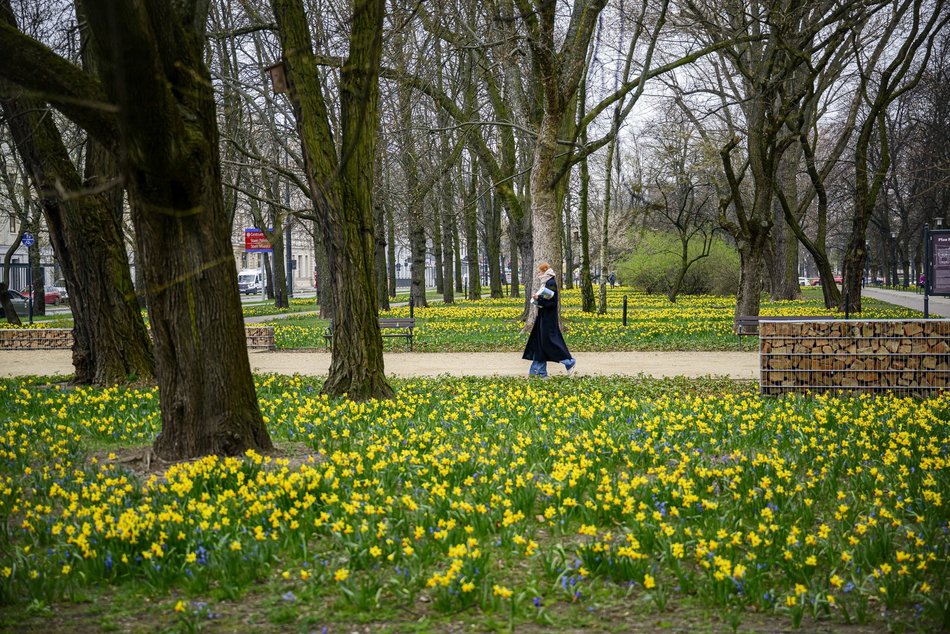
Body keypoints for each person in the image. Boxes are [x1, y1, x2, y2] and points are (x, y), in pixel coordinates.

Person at [522, 262, 576, 377]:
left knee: (548, 342)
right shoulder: (547, 282)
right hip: (543, 317)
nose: (538, 274)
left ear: (545, 271)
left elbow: (551, 302)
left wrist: (539, 299)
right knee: (540, 343)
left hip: (548, 319)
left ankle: (568, 361)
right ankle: (540, 372)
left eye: (540, 272)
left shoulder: (550, 283)